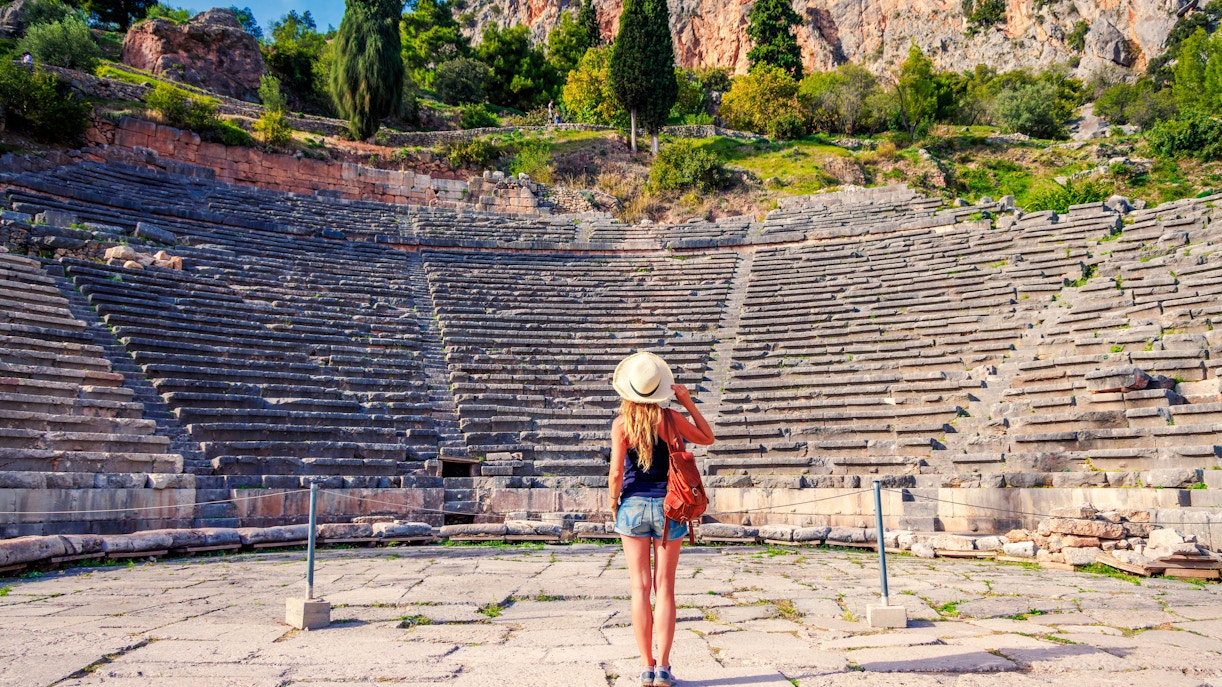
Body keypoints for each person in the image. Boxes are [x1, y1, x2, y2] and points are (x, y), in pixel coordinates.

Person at [609, 352, 715, 687]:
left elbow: (615, 474)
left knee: (639, 588)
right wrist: (688, 401)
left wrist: (614, 503)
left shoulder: (621, 424)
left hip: (633, 507)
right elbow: (707, 437)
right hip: (671, 508)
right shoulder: (670, 418)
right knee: (665, 588)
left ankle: (645, 666)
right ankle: (664, 668)